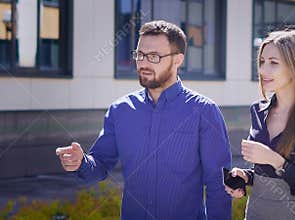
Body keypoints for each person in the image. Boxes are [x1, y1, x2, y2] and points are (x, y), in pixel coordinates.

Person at [56, 20, 232, 220]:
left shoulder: (204, 111)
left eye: (154, 56)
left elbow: (218, 184)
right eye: (139, 55)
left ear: (177, 60)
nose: (143, 63)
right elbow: (100, 164)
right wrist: (80, 163)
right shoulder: (120, 110)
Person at [224, 29, 295, 219]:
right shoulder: (257, 110)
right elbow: (265, 172)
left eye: (273, 63)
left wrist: (276, 160)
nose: (262, 70)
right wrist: (246, 176)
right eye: (262, 62)